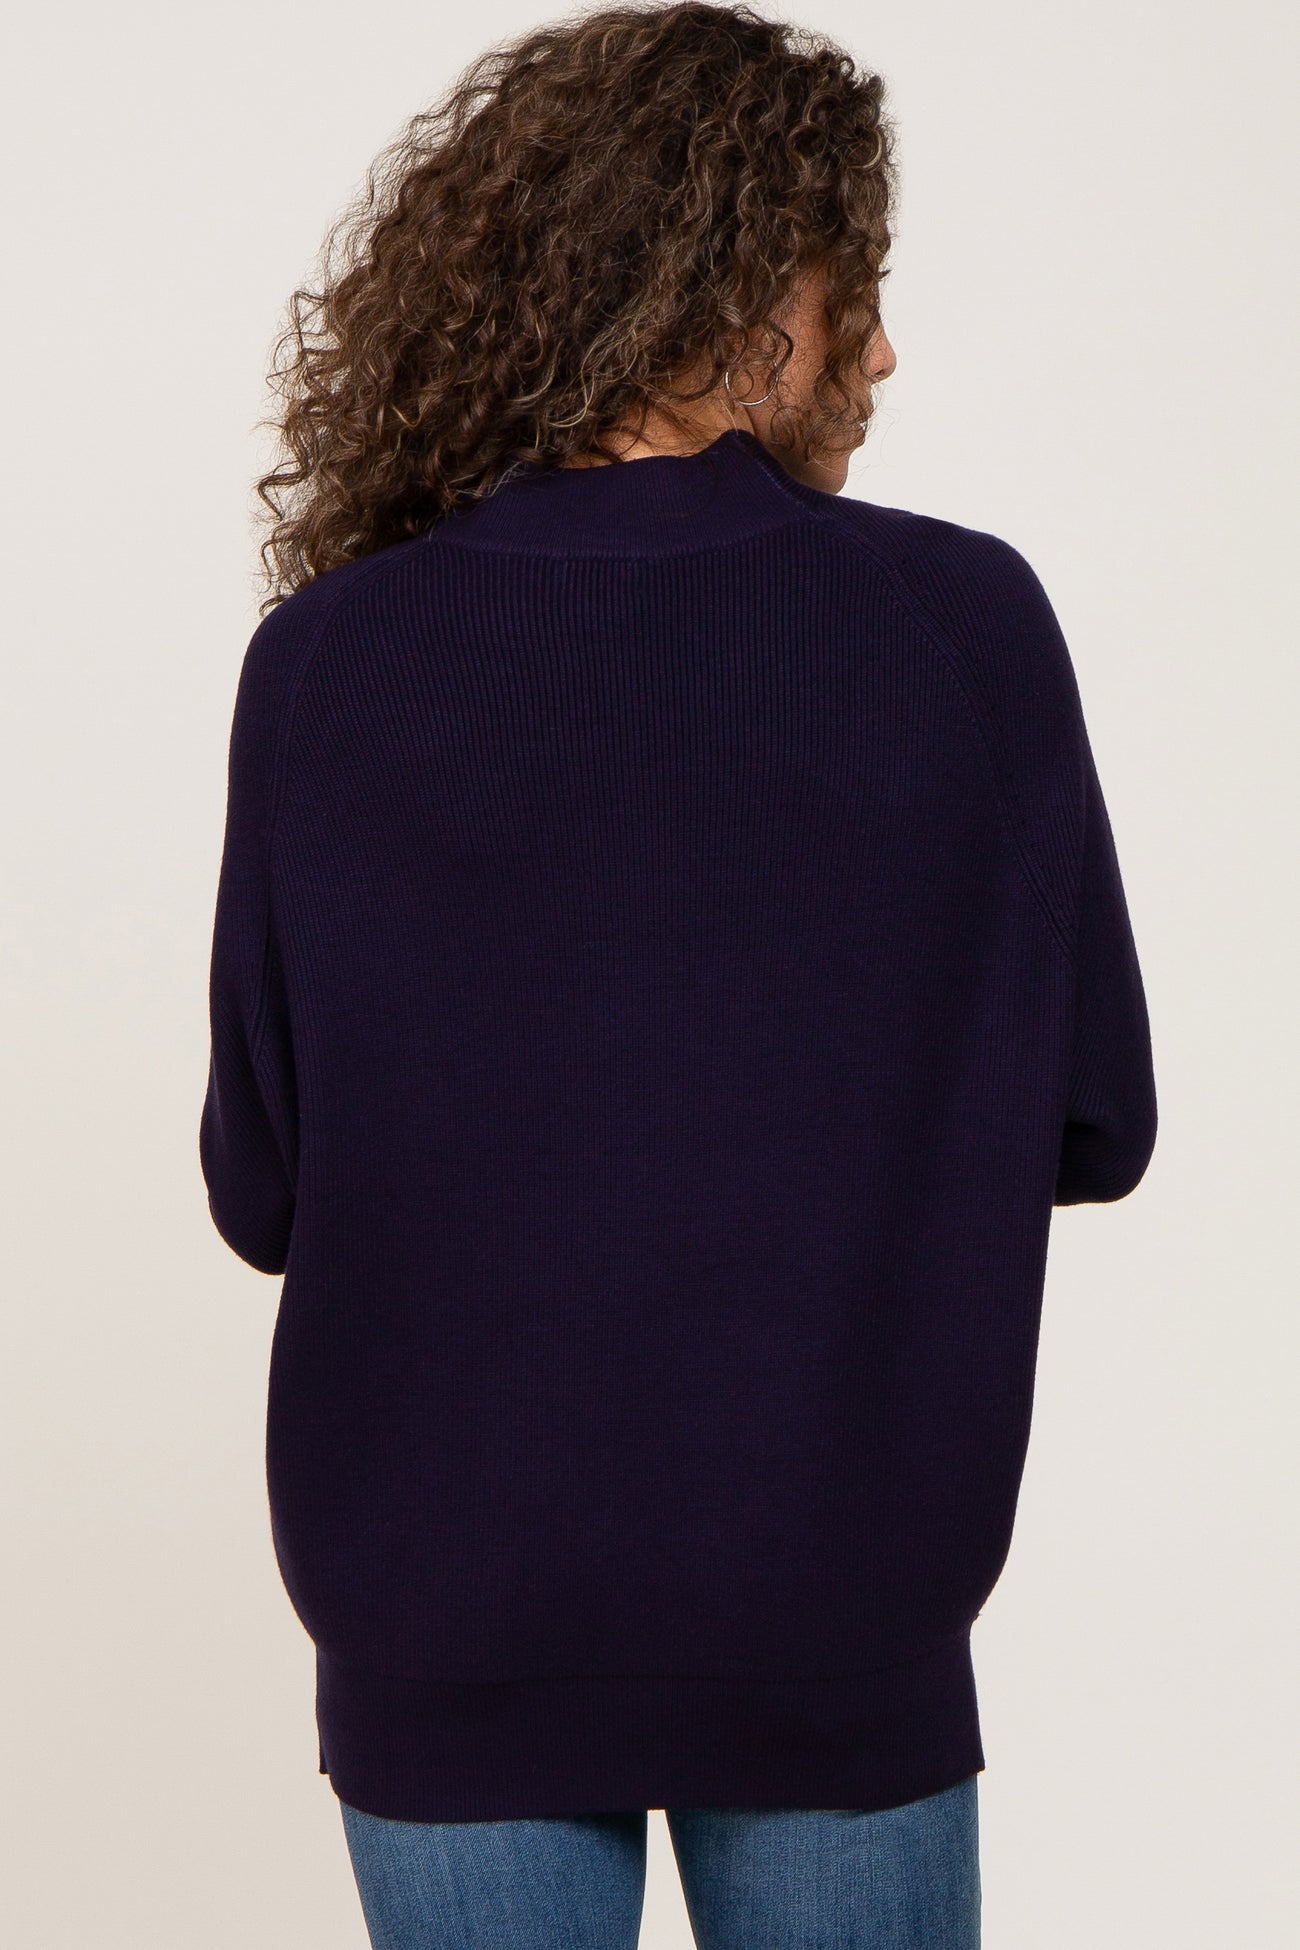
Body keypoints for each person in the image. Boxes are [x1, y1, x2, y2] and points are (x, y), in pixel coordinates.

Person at [198, 4, 1157, 1944]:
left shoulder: (330, 664)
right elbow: (1097, 1119)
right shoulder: (961, 628)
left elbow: (263, 1187)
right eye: (850, 283)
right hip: (834, 1601)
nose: (879, 347)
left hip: (445, 1613)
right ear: (726, 284)